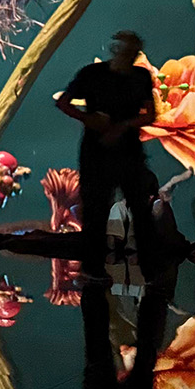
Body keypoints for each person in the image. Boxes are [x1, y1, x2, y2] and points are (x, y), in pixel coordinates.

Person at [56, 31, 160, 276]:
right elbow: (63, 102)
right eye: (126, 51)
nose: (130, 56)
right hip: (97, 150)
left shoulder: (140, 76)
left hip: (128, 151)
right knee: (96, 209)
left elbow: (150, 114)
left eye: (133, 52)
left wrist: (122, 126)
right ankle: (93, 267)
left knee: (139, 208)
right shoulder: (92, 74)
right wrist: (89, 119)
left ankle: (148, 267)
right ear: (115, 50)